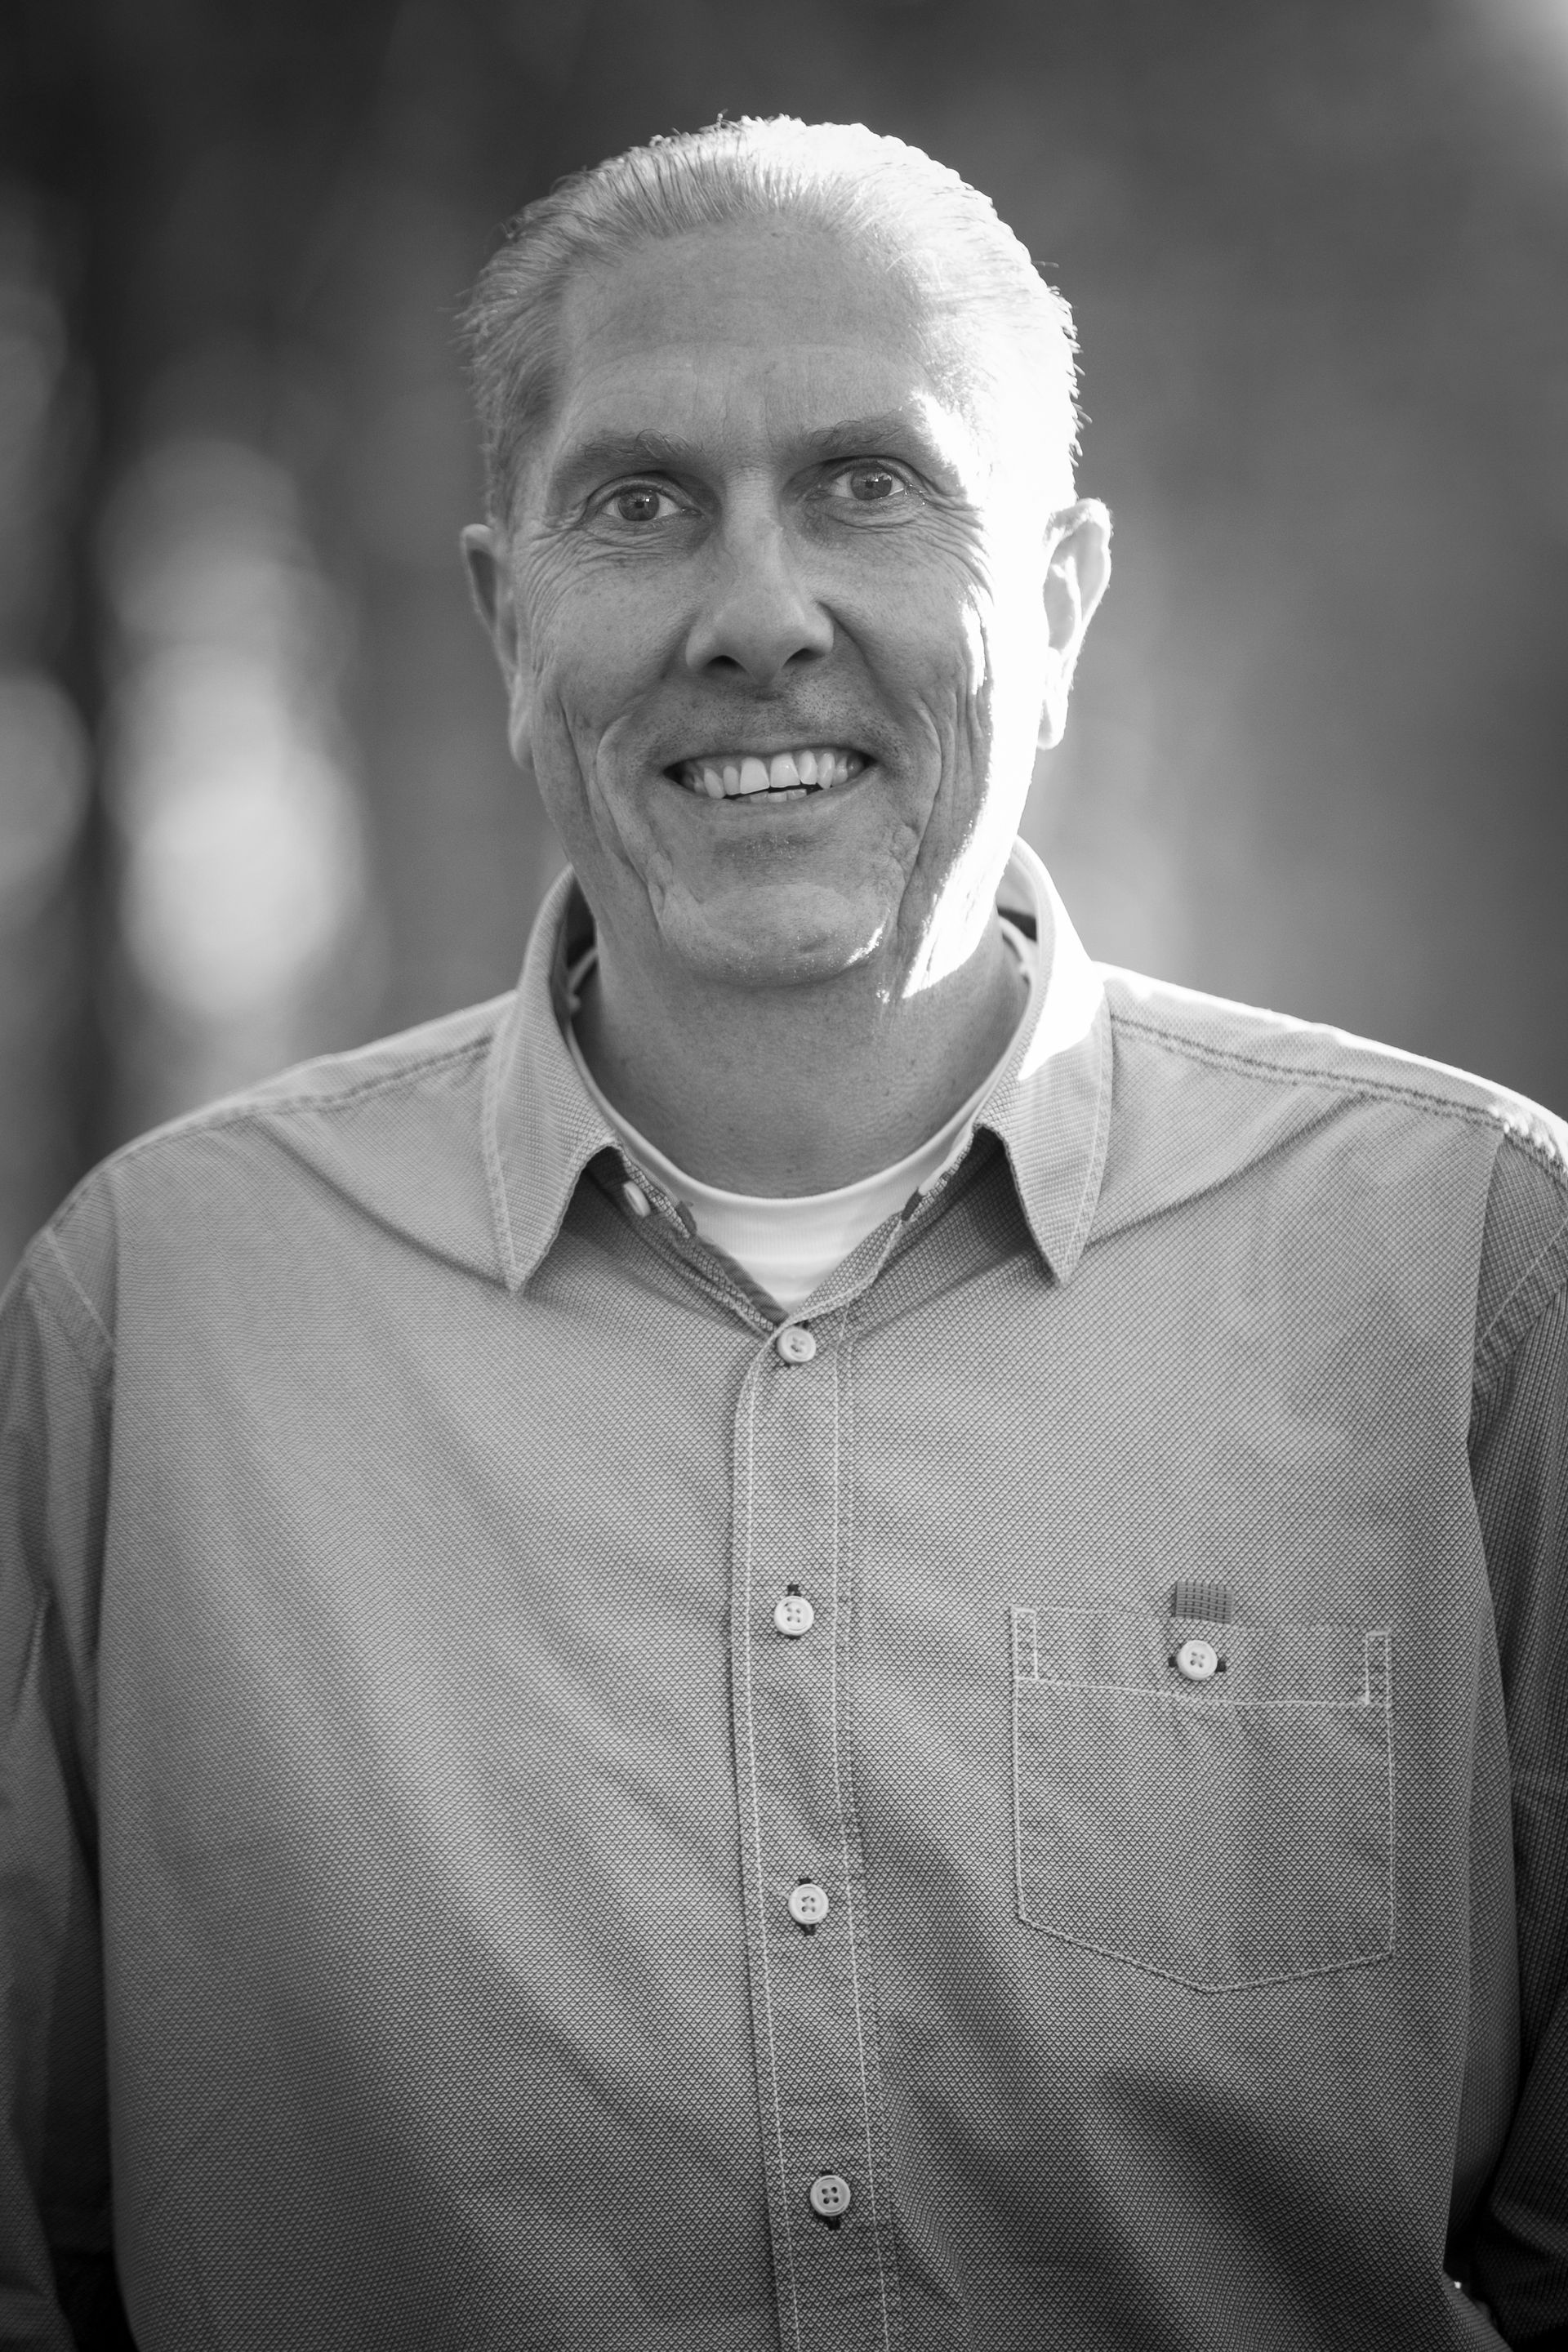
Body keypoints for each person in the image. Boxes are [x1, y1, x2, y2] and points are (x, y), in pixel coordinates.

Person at [1, 115, 1563, 2352]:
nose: (755, 618)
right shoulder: (153, 1329)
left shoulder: (1482, 1290)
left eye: (870, 485)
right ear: (503, 607)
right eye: (641, 505)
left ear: (1059, 597)